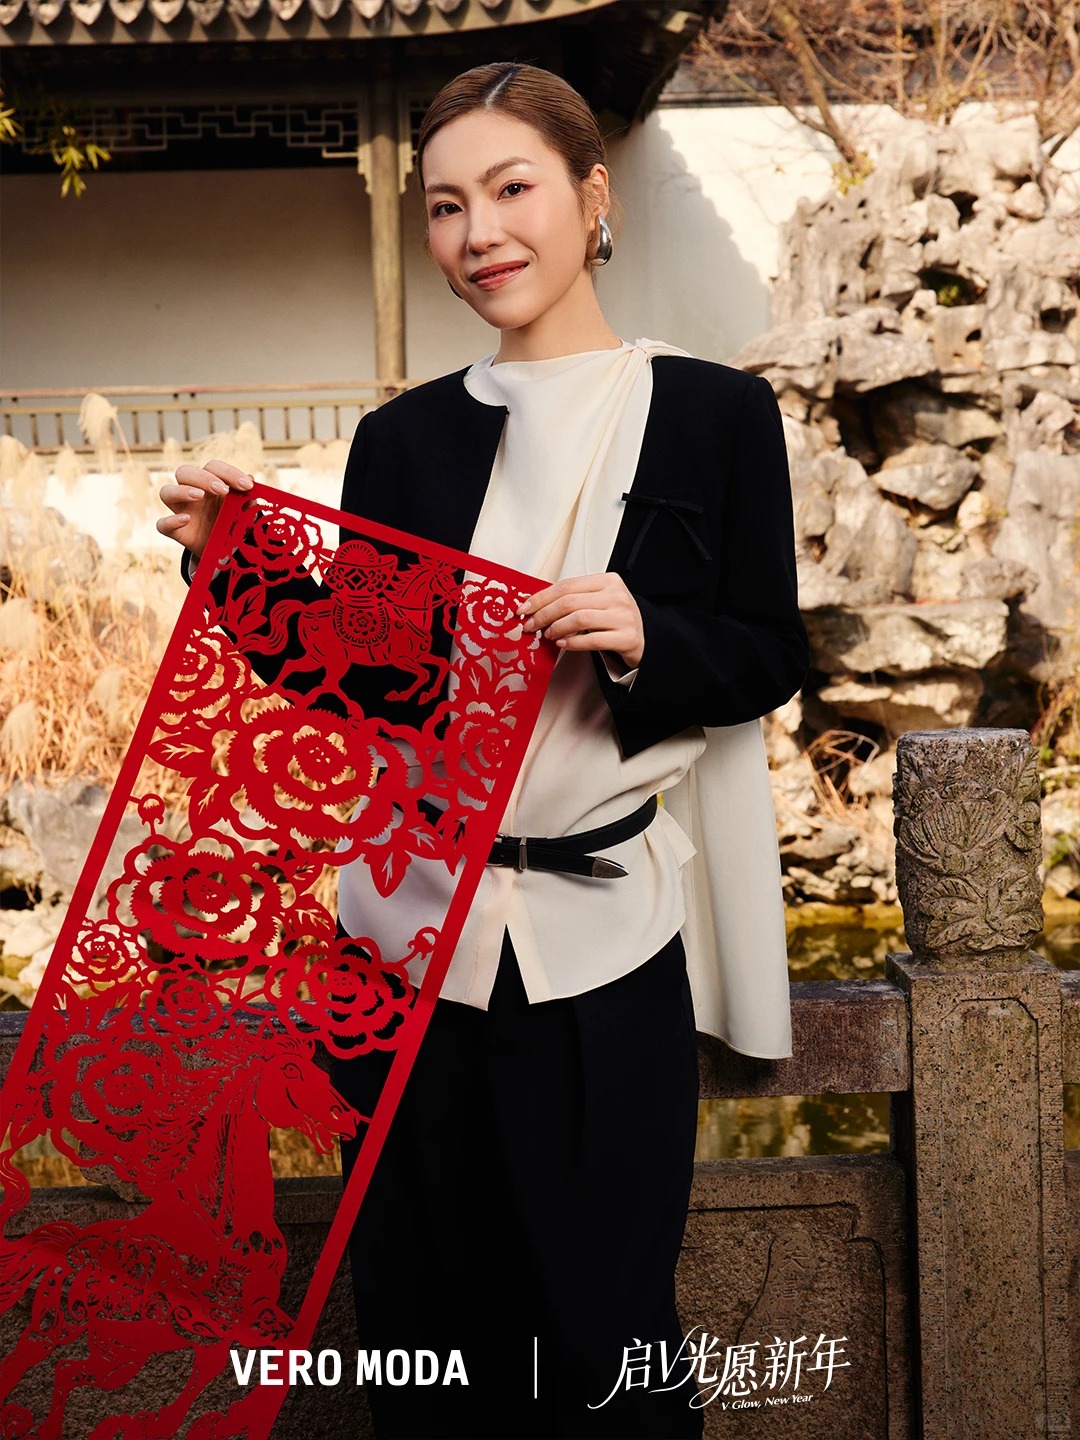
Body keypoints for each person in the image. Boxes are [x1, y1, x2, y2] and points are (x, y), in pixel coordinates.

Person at [158, 61, 809, 1440]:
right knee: (421, 1339)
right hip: (403, 947)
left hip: (605, 945)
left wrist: (647, 634)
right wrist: (234, 568)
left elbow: (765, 652)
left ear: (592, 194)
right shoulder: (402, 440)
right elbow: (366, 686)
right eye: (446, 206)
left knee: (610, 1347)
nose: (479, 234)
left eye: (512, 189)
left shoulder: (715, 414)